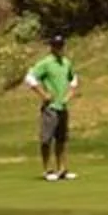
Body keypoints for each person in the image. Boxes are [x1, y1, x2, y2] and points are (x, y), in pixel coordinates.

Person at [24, 32, 77, 180]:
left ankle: (62, 170)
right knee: (46, 139)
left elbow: (74, 79)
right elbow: (29, 78)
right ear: (52, 47)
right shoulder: (46, 63)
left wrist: (70, 95)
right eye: (56, 45)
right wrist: (43, 95)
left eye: (61, 45)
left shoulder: (66, 62)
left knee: (62, 139)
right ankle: (48, 170)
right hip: (50, 107)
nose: (59, 48)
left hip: (62, 107)